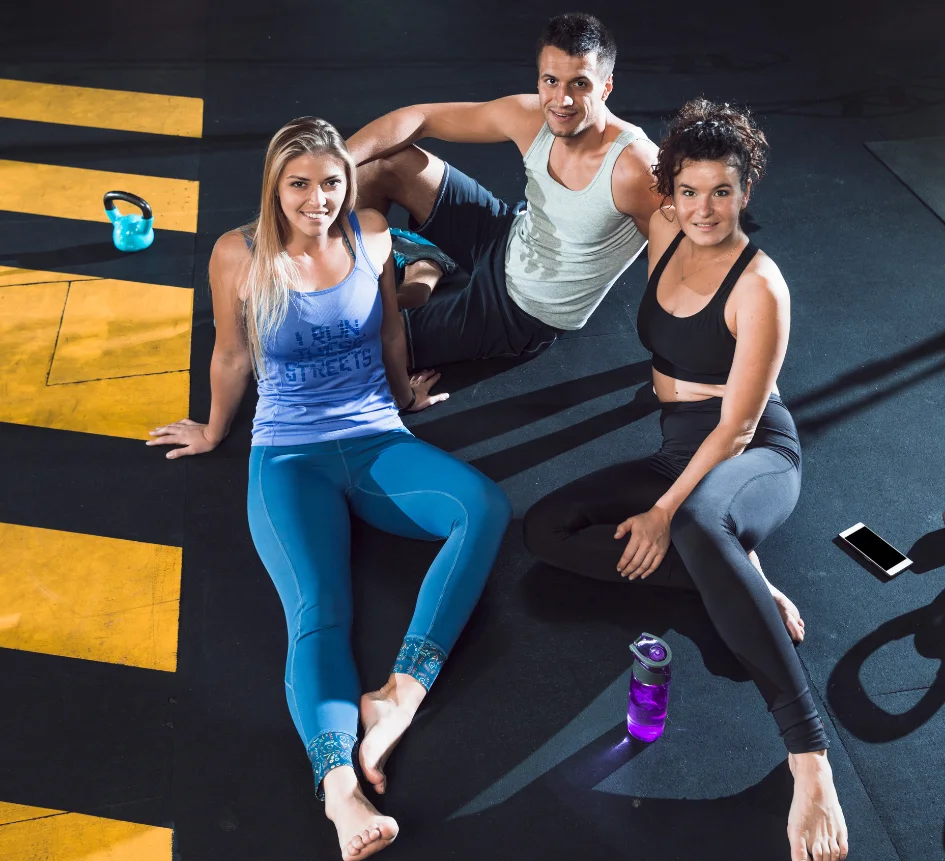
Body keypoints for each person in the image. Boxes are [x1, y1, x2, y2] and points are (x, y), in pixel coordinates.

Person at [148, 117, 512, 860]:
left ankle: (400, 691)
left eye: (332, 182)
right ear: (275, 188)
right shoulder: (238, 254)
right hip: (288, 455)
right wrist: (217, 431)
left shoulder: (372, 232)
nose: (319, 199)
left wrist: (405, 396)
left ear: (350, 183)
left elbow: (387, 334)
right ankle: (339, 788)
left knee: (483, 508)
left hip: (376, 438)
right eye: (300, 185)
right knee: (320, 607)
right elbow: (230, 354)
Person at [522, 99, 849, 861]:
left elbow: (737, 425)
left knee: (701, 522)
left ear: (746, 192)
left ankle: (811, 758)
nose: (706, 208)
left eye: (724, 191)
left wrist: (666, 512)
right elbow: (596, 144)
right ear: (670, 194)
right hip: (676, 448)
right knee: (545, 528)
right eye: (691, 191)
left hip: (752, 454)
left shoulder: (760, 284)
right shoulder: (663, 231)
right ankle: (731, 576)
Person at [347, 11, 662, 371]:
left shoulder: (636, 168)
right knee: (380, 166)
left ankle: (423, 270)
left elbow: (683, 260)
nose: (562, 100)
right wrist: (332, 166)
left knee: (359, 348)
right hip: (507, 235)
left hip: (524, 310)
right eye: (551, 81)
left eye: (580, 84)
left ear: (605, 87)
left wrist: (673, 364)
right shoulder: (533, 116)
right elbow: (422, 117)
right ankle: (360, 287)